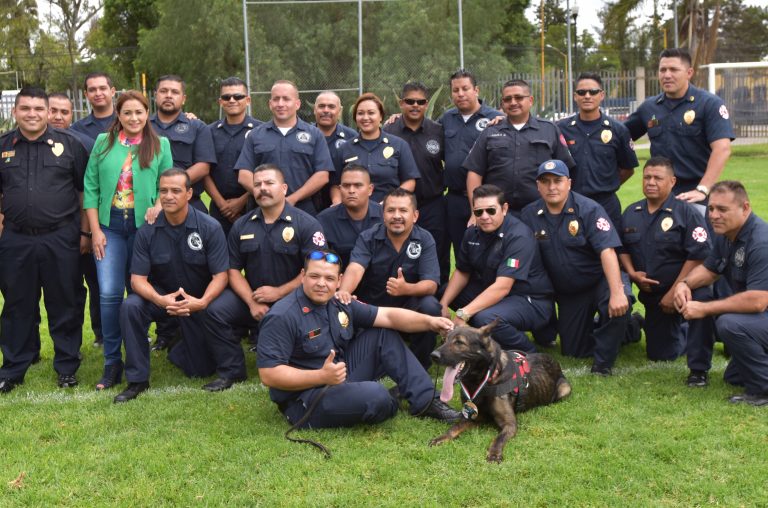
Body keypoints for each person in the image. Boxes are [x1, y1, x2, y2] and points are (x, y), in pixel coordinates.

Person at [257, 248, 460, 428]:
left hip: (338, 376)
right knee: (377, 397)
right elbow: (269, 374)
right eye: (314, 276)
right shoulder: (283, 315)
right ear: (302, 276)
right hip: (306, 398)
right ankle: (386, 399)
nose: (321, 284)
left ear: (339, 281)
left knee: (382, 333)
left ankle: (426, 402)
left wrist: (431, 322)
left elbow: (388, 316)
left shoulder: (338, 302)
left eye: (329, 279)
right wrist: (321, 377)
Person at [203, 163, 327, 389]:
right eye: (257, 184)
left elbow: (318, 272)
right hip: (255, 298)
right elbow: (232, 269)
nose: (263, 189)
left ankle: (293, 362)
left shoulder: (307, 224)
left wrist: (280, 292)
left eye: (269, 183)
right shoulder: (242, 225)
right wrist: (251, 301)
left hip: (295, 300)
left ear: (284, 188)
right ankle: (231, 371)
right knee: (215, 310)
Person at [0, 87, 88, 393]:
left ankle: (66, 367)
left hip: (61, 236)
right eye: (26, 108)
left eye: (39, 109)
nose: (32, 114)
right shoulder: (3, 146)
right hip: (16, 239)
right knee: (16, 304)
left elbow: (83, 192)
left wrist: (85, 233)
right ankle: (13, 369)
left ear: (48, 112)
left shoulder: (70, 145)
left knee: (64, 301)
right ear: (16, 112)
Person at [84, 90, 173, 390]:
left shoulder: (160, 144)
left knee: (139, 292)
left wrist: (158, 205)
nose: (134, 118)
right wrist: (95, 230)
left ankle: (141, 352)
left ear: (147, 113)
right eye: (127, 113)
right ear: (118, 116)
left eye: (139, 112)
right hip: (110, 227)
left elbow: (170, 184)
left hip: (143, 228)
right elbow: (91, 188)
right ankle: (112, 363)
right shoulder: (102, 143)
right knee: (109, 294)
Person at [116, 169, 228, 402]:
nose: (168, 196)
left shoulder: (210, 227)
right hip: (162, 298)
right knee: (131, 307)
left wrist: (203, 302)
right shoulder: (147, 231)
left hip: (197, 301)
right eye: (163, 191)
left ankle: (179, 342)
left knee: (200, 369)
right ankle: (137, 380)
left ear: (189, 194)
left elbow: (221, 276)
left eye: (176, 191)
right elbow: (137, 280)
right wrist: (160, 300)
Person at [521, 160, 635, 375]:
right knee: (574, 350)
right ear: (538, 186)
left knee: (621, 303)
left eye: (558, 181)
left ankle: (603, 364)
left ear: (569, 183)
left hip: (600, 280)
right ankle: (630, 329)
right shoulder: (529, 215)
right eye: (545, 182)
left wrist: (617, 292)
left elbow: (607, 251)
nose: (552, 187)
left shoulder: (589, 209)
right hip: (571, 292)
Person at [619, 157, 714, 386]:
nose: (651, 182)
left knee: (701, 303)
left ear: (672, 182)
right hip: (654, 298)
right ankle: (640, 324)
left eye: (658, 178)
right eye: (647, 177)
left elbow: (699, 254)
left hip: (688, 290)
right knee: (661, 355)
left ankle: (699, 362)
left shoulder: (687, 213)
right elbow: (621, 248)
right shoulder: (632, 212)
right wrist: (632, 273)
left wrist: (676, 290)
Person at [673, 181, 768, 406]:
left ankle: (763, 390)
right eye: (711, 208)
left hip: (761, 312)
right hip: (761, 320)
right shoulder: (726, 234)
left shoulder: (761, 243)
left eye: (722, 209)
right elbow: (709, 270)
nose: (714, 215)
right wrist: (684, 284)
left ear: (745, 208)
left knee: (729, 324)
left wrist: (704, 309)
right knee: (733, 377)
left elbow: (758, 301)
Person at [439, 184, 553, 353]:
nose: (484, 216)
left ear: (504, 208)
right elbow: (463, 271)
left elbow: (502, 287)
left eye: (491, 211)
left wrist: (463, 314)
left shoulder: (518, 235)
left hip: (529, 299)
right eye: (478, 212)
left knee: (486, 317)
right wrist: (443, 304)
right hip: (496, 293)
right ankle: (482, 333)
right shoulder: (472, 233)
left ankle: (527, 351)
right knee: (445, 292)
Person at [337, 188, 441, 368]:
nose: (396, 216)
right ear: (382, 214)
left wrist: (406, 289)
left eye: (403, 210)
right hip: (374, 309)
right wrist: (344, 291)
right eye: (391, 210)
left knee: (430, 305)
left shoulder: (424, 239)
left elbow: (431, 284)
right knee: (342, 306)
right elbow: (355, 268)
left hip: (410, 309)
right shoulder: (368, 237)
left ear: (415, 215)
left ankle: (419, 364)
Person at [625, 48, 734, 208]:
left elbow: (722, 149)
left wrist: (702, 189)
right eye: (663, 70)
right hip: (660, 195)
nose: (667, 75)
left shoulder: (709, 104)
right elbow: (619, 136)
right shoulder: (649, 107)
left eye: (674, 70)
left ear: (689, 73)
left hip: (696, 196)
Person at [464, 79, 575, 215]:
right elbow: (475, 173)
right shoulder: (490, 131)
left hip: (541, 212)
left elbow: (566, 170)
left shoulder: (549, 130)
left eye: (519, 97)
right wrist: (475, 213)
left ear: (530, 100)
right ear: (503, 103)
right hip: (498, 214)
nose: (513, 102)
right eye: (508, 99)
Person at [48, 92, 102, 350]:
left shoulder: (82, 144)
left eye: (64, 112)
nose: (58, 116)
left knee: (87, 286)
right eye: (53, 110)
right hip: (38, 233)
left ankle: (93, 338)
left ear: (72, 116)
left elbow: (88, 192)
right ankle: (32, 348)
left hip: (75, 230)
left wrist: (86, 233)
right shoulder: (16, 143)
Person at [384, 82, 450, 285]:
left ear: (426, 104)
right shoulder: (389, 130)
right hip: (399, 206)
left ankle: (438, 302)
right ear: (401, 103)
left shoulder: (438, 131)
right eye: (410, 101)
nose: (415, 105)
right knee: (397, 253)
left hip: (432, 205)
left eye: (420, 102)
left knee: (438, 253)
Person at [236, 80, 333, 215]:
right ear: (270, 104)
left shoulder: (315, 134)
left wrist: (293, 198)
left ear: (297, 104)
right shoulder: (255, 135)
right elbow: (244, 175)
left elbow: (322, 175)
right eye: (276, 99)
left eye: (286, 99)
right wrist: (269, 197)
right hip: (264, 212)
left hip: (303, 211)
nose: (280, 104)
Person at [556, 72, 638, 228]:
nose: (587, 96)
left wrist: (605, 185)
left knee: (609, 249)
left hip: (606, 205)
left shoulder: (618, 130)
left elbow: (628, 169)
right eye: (581, 92)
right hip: (570, 203)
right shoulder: (561, 129)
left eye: (593, 92)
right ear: (575, 96)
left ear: (602, 95)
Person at [439, 69, 504, 258]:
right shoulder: (446, 119)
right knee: (460, 251)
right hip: (454, 199)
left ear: (476, 90)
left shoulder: (495, 118)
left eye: (465, 88)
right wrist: (397, 118)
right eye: (455, 90)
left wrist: (505, 122)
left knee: (489, 251)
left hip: (486, 198)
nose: (460, 94)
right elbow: (425, 134)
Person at [332, 93, 420, 204]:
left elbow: (409, 181)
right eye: (360, 113)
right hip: (352, 212)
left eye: (371, 113)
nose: (365, 117)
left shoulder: (399, 145)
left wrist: (389, 202)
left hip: (388, 212)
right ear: (355, 118)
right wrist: (337, 203)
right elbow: (335, 185)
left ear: (381, 116)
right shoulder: (344, 149)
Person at [150, 74, 216, 213]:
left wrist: (173, 185)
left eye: (174, 92)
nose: (168, 95)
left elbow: (203, 167)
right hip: (148, 203)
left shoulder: (197, 127)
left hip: (189, 203)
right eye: (163, 91)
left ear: (183, 99)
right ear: (156, 96)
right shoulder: (143, 127)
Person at [204, 77, 261, 237]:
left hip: (253, 204)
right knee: (221, 258)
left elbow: (265, 171)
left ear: (247, 100)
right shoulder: (209, 132)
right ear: (220, 101)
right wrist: (222, 204)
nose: (232, 100)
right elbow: (205, 170)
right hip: (218, 208)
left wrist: (241, 201)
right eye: (226, 97)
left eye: (238, 96)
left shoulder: (261, 131)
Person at [317, 164, 382, 268]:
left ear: (370, 189)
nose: (351, 190)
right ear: (340, 189)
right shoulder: (324, 221)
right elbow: (319, 263)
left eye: (358, 185)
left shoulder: (385, 217)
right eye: (346, 186)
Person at [313, 91, 357, 210]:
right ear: (314, 109)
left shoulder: (352, 137)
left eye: (331, 106)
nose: (326, 110)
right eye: (321, 106)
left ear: (340, 111)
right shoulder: (304, 136)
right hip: (309, 204)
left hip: (343, 205)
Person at [71, 72, 117, 146]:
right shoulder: (76, 130)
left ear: (112, 92)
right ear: (86, 95)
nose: (98, 93)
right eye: (92, 90)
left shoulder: (126, 123)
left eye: (102, 88)